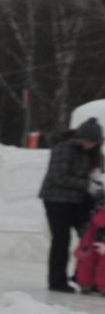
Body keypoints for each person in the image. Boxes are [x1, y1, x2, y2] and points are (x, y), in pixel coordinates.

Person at [37, 118, 102, 293]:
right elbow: (59, 177)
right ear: (79, 138)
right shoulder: (63, 149)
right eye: (88, 141)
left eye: (94, 143)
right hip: (57, 200)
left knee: (89, 238)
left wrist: (97, 183)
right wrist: (86, 183)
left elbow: (96, 176)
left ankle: (83, 276)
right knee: (61, 240)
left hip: (79, 201)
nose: (91, 145)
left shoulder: (94, 153)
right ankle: (57, 282)